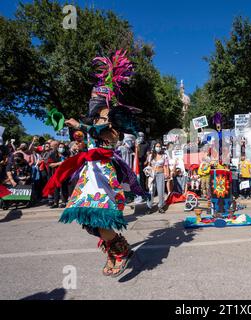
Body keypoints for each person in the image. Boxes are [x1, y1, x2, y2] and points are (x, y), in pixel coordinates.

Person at [43, 50, 144, 277]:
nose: (91, 99)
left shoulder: (113, 117)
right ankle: (115, 248)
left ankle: (120, 250)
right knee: (87, 220)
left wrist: (81, 125)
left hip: (103, 173)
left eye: (94, 96)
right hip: (90, 172)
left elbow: (108, 136)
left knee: (96, 216)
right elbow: (92, 135)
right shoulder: (95, 118)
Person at [145, 142, 169, 213]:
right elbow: (148, 165)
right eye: (157, 146)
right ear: (154, 147)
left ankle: (161, 206)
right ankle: (149, 207)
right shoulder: (151, 155)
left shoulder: (164, 155)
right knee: (151, 191)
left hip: (161, 174)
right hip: (152, 174)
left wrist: (167, 173)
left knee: (161, 191)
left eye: (159, 146)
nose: (158, 147)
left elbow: (166, 166)